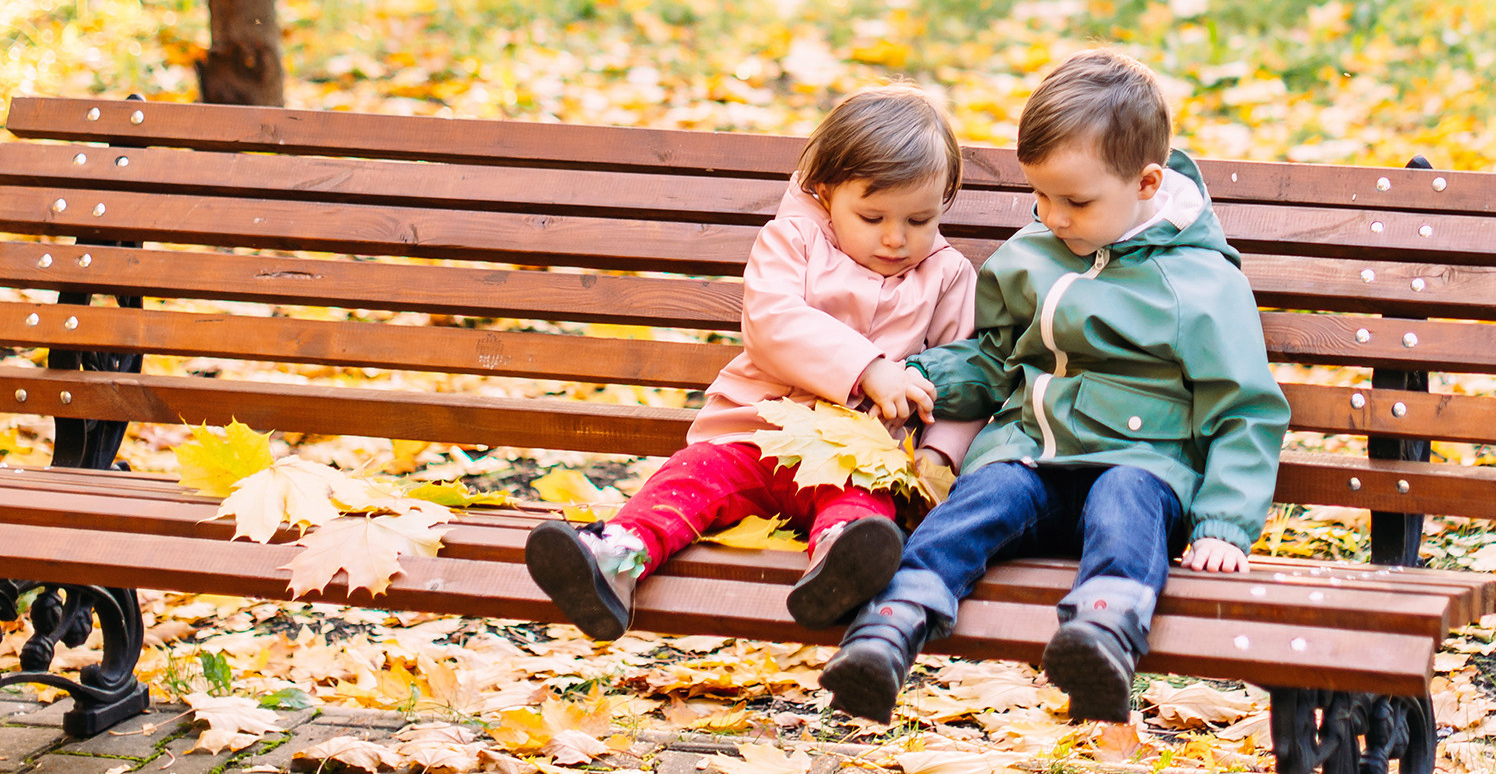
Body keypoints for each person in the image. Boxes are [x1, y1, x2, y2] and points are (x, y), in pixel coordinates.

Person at [821, 48, 1288, 725]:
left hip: (1143, 464)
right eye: (1040, 196)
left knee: (1126, 503)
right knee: (981, 499)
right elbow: (995, 359)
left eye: (1076, 201)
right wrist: (928, 377)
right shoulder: (1031, 256)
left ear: (1147, 183)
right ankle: (889, 628)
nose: (1054, 216)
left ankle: (1102, 634)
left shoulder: (1200, 285)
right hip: (1030, 456)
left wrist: (1223, 525)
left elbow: (1245, 410)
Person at [523, 89, 977, 644]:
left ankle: (841, 566)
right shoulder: (793, 241)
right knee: (693, 478)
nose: (895, 237)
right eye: (872, 216)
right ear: (826, 191)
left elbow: (965, 377)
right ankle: (615, 559)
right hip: (753, 436)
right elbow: (772, 321)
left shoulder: (947, 276)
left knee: (861, 506)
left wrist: (938, 456)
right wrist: (869, 369)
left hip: (857, 459)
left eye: (920, 219)